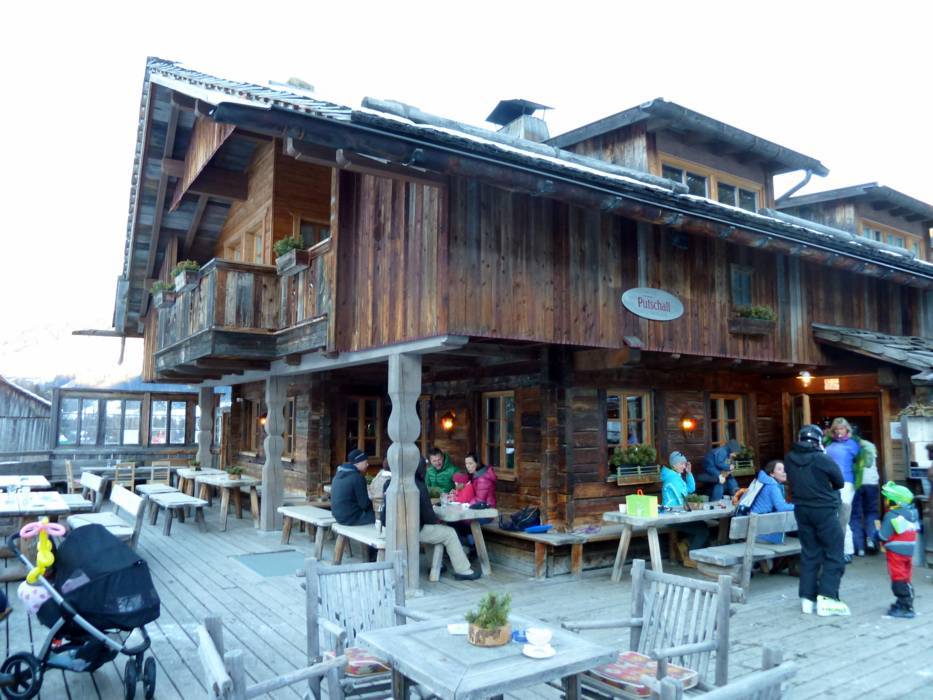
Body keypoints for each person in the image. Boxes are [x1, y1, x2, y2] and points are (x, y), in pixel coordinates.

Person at [784, 424, 849, 617]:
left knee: (810, 553)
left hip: (801, 509)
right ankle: (827, 598)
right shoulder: (822, 458)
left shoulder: (789, 458)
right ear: (818, 440)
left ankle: (807, 599)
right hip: (823, 509)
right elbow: (839, 482)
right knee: (834, 552)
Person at [380, 458, 481, 580]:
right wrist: (436, 519)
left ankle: (436, 565)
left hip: (393, 529)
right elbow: (429, 518)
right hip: (411, 531)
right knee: (449, 533)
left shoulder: (390, 483)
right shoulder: (418, 485)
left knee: (431, 530)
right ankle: (463, 570)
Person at [878, 481, 919, 618]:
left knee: (897, 577)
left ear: (894, 501)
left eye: (887, 499)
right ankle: (906, 601)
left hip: (895, 552)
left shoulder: (892, 515)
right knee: (906, 576)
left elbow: (883, 535)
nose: (885, 501)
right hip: (909, 550)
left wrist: (875, 535)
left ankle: (905, 606)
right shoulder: (913, 513)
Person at [824, 417, 861, 562]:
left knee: (843, 516)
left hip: (846, 482)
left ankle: (847, 550)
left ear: (847, 429)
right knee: (833, 517)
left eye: (842, 428)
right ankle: (838, 550)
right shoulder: (829, 443)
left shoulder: (853, 444)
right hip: (830, 483)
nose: (839, 431)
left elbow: (861, 464)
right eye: (836, 429)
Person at [660, 451, 707, 566]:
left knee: (702, 525)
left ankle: (683, 546)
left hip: (679, 514)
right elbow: (683, 498)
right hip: (671, 517)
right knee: (702, 531)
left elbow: (690, 489)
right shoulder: (672, 479)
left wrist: (689, 473)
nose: (684, 466)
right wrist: (693, 502)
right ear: (674, 465)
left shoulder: (676, 476)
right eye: (681, 464)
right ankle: (690, 557)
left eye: (685, 464)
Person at [848, 425, 879, 556]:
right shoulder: (870, 446)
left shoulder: (849, 446)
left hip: (856, 483)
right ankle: (872, 540)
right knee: (871, 512)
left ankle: (859, 547)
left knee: (854, 514)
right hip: (872, 483)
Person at [750, 460, 795, 544]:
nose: (784, 472)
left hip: (756, 528)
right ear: (772, 474)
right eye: (779, 469)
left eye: (784, 469)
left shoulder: (767, 483)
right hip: (764, 533)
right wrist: (800, 506)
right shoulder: (772, 486)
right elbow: (781, 507)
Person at [331, 448, 375, 526]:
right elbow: (364, 504)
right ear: (358, 463)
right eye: (365, 462)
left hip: (338, 517)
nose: (367, 464)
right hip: (351, 518)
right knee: (378, 518)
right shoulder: (357, 477)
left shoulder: (337, 475)